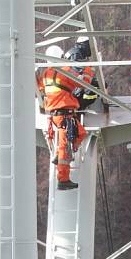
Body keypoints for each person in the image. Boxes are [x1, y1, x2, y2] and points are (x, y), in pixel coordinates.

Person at [37, 44, 88, 190]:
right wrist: (87, 73)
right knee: (65, 148)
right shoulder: (64, 71)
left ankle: (59, 157)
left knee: (76, 137)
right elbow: (79, 83)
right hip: (64, 114)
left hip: (54, 115)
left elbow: (40, 88)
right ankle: (63, 179)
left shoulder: (45, 74)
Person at [64, 36, 100, 111]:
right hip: (71, 88)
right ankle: (79, 106)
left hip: (70, 87)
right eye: (91, 46)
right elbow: (77, 75)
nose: (92, 49)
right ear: (85, 45)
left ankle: (80, 105)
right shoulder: (75, 54)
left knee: (96, 86)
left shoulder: (76, 53)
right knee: (94, 87)